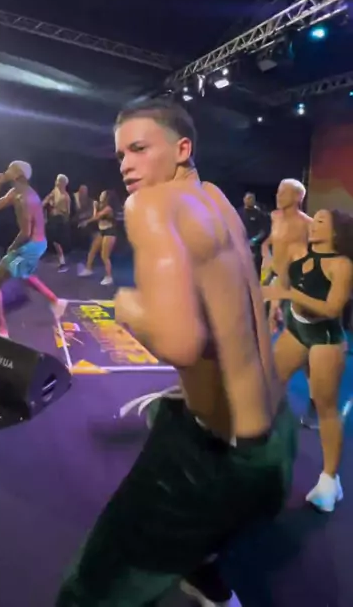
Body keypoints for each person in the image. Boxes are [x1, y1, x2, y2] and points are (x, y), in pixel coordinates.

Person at [56, 100, 297, 607]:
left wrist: (127, 306)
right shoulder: (217, 200)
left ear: (182, 148)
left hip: (217, 457)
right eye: (121, 155)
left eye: (139, 149)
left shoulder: (150, 206)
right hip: (277, 435)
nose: (126, 165)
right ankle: (206, 575)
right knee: (170, 416)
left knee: (89, 589)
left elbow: (180, 342)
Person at [263, 208, 353, 512]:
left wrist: (291, 297)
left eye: (321, 221)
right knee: (270, 383)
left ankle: (330, 481)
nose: (313, 224)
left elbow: (331, 309)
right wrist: (277, 306)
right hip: (296, 329)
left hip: (325, 339)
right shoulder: (298, 251)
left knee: (326, 408)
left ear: (336, 231)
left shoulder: (341, 265)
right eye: (314, 219)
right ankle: (265, 448)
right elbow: (283, 281)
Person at [0, 161, 65, 338]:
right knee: (24, 274)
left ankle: (0, 329)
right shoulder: (15, 192)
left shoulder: (25, 197)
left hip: (31, 245)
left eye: (10, 168)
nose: (6, 170)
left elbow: (26, 232)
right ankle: (55, 301)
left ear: (18, 174)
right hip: (36, 244)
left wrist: (12, 248)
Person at [261, 179, 312, 331]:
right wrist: (266, 254)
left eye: (283, 193)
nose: (278, 196)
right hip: (273, 274)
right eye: (278, 192)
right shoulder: (275, 217)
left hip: (294, 283)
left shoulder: (308, 224)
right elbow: (269, 241)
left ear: (297, 197)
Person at [77, 190, 120, 286]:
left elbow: (97, 217)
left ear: (106, 198)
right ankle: (88, 269)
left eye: (102, 194)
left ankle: (109, 277)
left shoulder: (108, 208)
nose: (100, 195)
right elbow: (95, 216)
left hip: (110, 232)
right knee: (92, 250)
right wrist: (95, 207)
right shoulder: (101, 207)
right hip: (102, 231)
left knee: (104, 256)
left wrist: (86, 221)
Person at [44, 174, 71, 272]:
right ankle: (61, 260)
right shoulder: (55, 192)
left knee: (56, 240)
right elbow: (46, 202)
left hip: (59, 219)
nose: (57, 182)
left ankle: (62, 262)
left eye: (59, 181)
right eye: (57, 180)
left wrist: (60, 211)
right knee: (54, 240)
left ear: (63, 183)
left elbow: (67, 211)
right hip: (52, 218)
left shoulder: (65, 196)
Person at [238, 192, 269, 277]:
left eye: (252, 198)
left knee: (255, 271)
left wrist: (254, 240)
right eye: (248, 198)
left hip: (255, 248)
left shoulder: (259, 213)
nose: (250, 200)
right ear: (244, 199)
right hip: (241, 246)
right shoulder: (238, 213)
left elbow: (264, 230)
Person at [72, 184, 95, 249]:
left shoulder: (90, 201)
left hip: (86, 221)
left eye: (85, 191)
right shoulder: (73, 199)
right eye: (82, 191)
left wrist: (84, 219)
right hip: (75, 220)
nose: (83, 193)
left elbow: (90, 213)